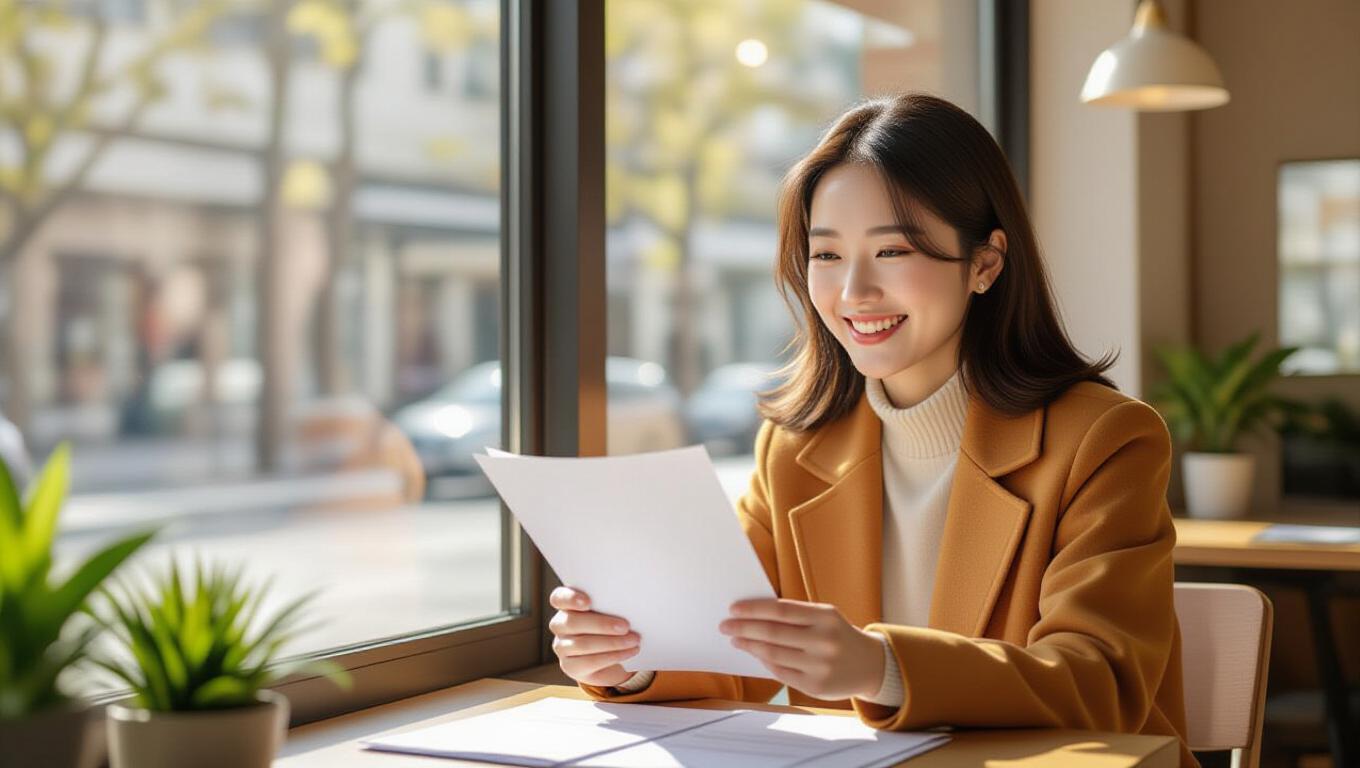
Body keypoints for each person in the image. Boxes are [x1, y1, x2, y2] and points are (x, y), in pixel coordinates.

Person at [548, 92, 1197, 767]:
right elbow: (734, 645)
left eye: (892, 250)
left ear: (985, 263)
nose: (853, 291)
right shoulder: (796, 448)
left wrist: (879, 666)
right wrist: (631, 659)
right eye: (825, 256)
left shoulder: (1104, 438)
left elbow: (1100, 684)